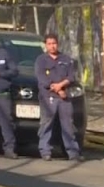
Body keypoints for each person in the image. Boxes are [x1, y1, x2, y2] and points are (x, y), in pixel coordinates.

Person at [35, 33, 83, 162]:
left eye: (54, 43)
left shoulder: (66, 59)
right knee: (46, 124)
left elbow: (71, 77)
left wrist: (61, 86)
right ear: (46, 45)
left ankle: (73, 152)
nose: (52, 46)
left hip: (64, 97)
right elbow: (42, 79)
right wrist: (56, 89)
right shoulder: (41, 60)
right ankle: (45, 150)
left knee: (68, 124)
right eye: (49, 44)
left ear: (58, 44)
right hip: (48, 97)